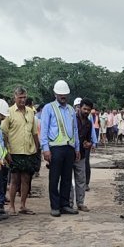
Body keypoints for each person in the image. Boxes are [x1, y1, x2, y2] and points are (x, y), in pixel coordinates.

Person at [40, 80, 80, 217]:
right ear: (55, 94)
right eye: (61, 94)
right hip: (55, 148)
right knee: (54, 178)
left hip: (69, 148)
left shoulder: (70, 110)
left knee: (67, 178)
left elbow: (75, 130)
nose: (63, 96)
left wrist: (77, 148)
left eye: (65, 94)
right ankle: (55, 206)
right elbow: (44, 130)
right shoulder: (48, 108)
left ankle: (64, 205)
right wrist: (45, 149)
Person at [2, 87, 39, 215]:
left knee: (26, 179)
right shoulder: (9, 112)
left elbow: (34, 133)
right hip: (14, 151)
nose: (23, 100)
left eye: (24, 97)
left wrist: (37, 149)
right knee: (14, 180)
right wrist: (6, 152)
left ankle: (23, 205)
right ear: (15, 98)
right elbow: (4, 134)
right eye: (20, 98)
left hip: (29, 151)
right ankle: (11, 206)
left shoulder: (30, 112)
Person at [73, 98, 97, 211]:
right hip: (70, 153)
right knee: (67, 180)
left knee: (81, 180)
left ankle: (80, 203)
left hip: (81, 155)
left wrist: (89, 143)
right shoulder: (72, 119)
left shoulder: (88, 123)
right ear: (80, 108)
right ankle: (68, 203)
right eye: (85, 109)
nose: (86, 111)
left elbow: (88, 139)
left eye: (89, 110)